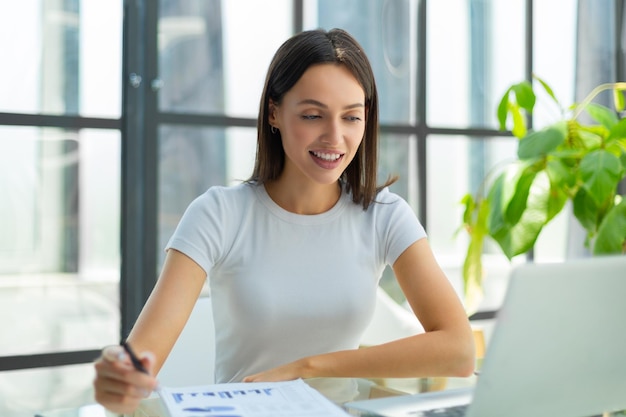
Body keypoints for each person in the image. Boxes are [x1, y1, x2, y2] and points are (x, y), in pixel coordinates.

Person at [93, 28, 475, 414]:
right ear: (274, 112)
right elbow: (140, 359)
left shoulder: (383, 215)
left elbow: (459, 351)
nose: (335, 137)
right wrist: (119, 378)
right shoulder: (219, 214)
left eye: (351, 117)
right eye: (312, 115)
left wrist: (310, 367)